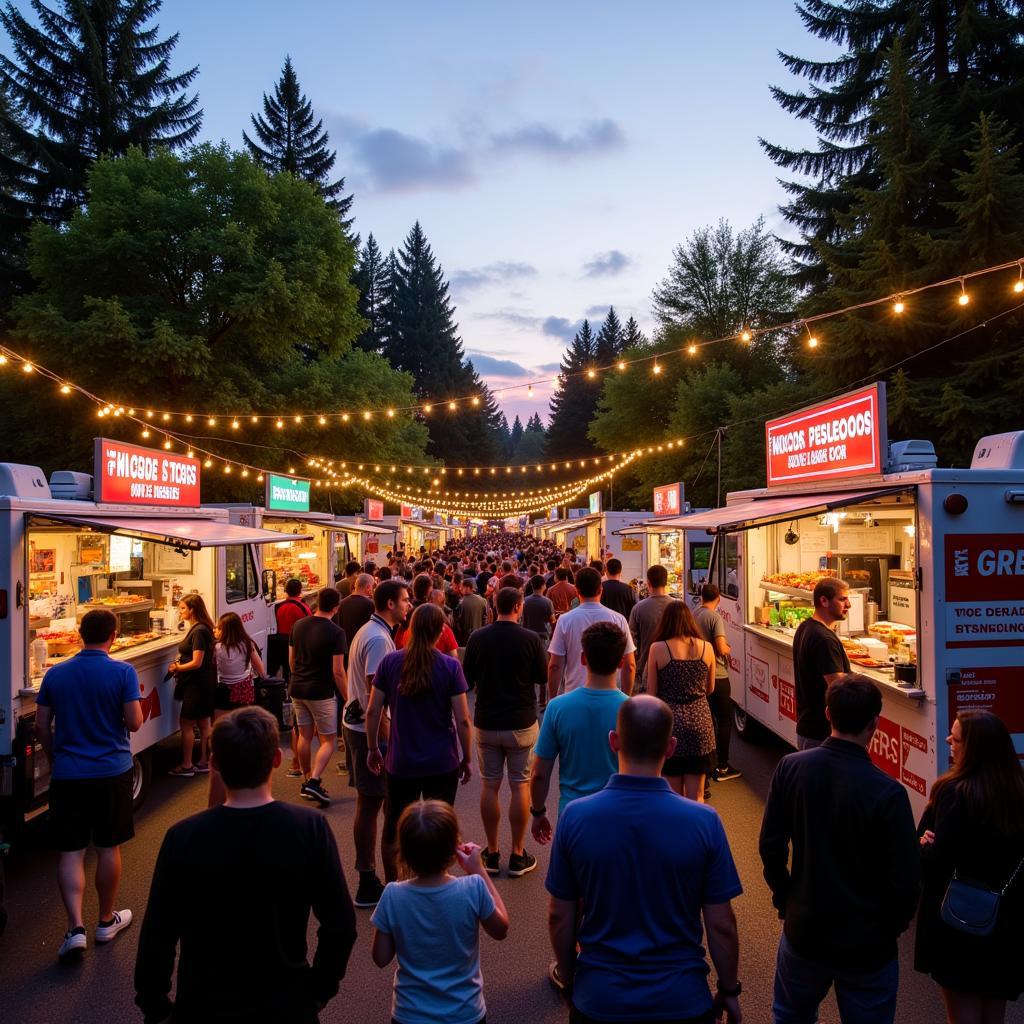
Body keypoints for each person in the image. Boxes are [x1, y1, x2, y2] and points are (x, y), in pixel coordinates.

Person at [134, 707, 357, 1024]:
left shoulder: (182, 837)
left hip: (202, 1007)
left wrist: (155, 1006)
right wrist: (318, 990)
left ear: (214, 764)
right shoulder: (310, 829)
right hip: (286, 1006)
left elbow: (158, 934)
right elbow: (340, 926)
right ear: (276, 761)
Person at [545, 695, 743, 1019]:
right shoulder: (704, 821)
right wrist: (729, 989)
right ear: (671, 747)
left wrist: (569, 980)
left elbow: (559, 915)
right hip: (682, 999)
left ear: (614, 741)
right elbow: (722, 924)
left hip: (600, 998)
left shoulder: (575, 818)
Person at [759, 674, 920, 1024]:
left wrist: (785, 897)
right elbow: (906, 879)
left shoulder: (792, 768)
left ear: (828, 714)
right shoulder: (888, 792)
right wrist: (892, 924)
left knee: (790, 1016)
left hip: (805, 928)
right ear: (875, 723)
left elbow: (771, 846)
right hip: (868, 942)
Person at [34, 608, 143, 961]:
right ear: (113, 635)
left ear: (80, 634)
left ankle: (75, 928)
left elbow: (41, 726)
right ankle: (105, 920)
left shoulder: (56, 674)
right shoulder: (123, 672)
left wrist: (55, 758)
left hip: (69, 774)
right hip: (112, 770)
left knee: (71, 851)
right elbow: (135, 722)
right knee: (108, 847)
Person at [916, 710, 1024, 1023]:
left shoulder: (953, 794)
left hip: (958, 921)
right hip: (1006, 922)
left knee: (962, 1015)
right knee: (994, 1014)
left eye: (956, 738)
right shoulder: (1017, 793)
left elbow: (936, 863)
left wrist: (923, 845)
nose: (948, 740)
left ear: (974, 750)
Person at [371, 801, 508, 1024]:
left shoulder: (393, 895)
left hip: (409, 1014)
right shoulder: (473, 887)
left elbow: (381, 958)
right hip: (465, 1012)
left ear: (404, 852)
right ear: (454, 848)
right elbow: (501, 929)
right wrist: (479, 870)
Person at [366, 603, 474, 883]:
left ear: (411, 628)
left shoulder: (390, 663)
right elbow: (463, 719)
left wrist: (372, 747)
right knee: (441, 825)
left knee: (393, 828)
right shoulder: (450, 666)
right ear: (440, 631)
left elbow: (373, 710)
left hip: (401, 761)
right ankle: (440, 880)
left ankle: (393, 884)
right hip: (442, 760)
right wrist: (467, 757)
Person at [462, 587, 547, 878]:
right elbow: (541, 676)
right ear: (519, 607)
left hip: (487, 720)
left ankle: (493, 851)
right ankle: (518, 853)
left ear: (493, 606)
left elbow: (467, 678)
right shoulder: (531, 639)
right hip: (521, 721)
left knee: (490, 785)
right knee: (520, 786)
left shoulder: (477, 638)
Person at [530, 622, 631, 846]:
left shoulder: (558, 708)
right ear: (621, 662)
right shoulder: (631, 710)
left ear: (583, 658)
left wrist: (538, 813)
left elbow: (539, 773)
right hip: (619, 817)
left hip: (573, 815)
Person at [346, 579, 411, 906]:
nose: (408, 605)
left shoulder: (373, 632)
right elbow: (377, 698)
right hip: (369, 731)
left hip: (359, 728)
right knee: (379, 806)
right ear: (389, 604)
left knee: (370, 805)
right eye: (404, 600)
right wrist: (389, 740)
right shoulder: (378, 640)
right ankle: (375, 880)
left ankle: (371, 877)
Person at [646, 600, 717, 802]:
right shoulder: (707, 648)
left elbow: (652, 692)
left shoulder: (658, 648)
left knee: (673, 796)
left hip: (670, 725)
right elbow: (710, 688)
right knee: (697, 795)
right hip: (701, 724)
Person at [289, 585, 347, 807]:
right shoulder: (336, 632)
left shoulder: (299, 625)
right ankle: (314, 780)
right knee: (328, 740)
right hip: (321, 691)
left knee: (304, 735)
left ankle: (305, 778)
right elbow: (338, 671)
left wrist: (297, 676)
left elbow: (292, 660)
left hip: (298, 687)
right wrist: (348, 696)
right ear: (336, 607)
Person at [548, 567, 636, 700]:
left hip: (574, 695)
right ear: (601, 589)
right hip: (612, 695)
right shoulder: (619, 619)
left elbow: (555, 666)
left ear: (577, 590)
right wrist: (626, 697)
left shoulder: (565, 620)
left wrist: (553, 699)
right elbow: (630, 665)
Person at [209, 611, 265, 807]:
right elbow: (262, 670)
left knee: (219, 733)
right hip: (243, 690)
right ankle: (242, 763)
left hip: (223, 691)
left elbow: (214, 669)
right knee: (242, 729)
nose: (215, 630)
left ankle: (219, 764)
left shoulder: (217, 648)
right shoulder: (247, 645)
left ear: (225, 630)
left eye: (218, 628)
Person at [792, 577, 851, 750]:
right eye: (842, 599)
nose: (848, 605)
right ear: (823, 601)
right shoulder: (824, 639)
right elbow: (839, 689)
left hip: (808, 728)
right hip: (821, 734)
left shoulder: (806, 627)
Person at [693, 583, 740, 782]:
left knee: (709, 720)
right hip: (718, 674)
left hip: (697, 673)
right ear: (719, 598)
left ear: (702, 596)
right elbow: (720, 648)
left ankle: (708, 762)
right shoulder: (715, 617)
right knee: (725, 720)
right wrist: (729, 648)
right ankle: (722, 766)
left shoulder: (694, 614)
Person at [168, 593, 217, 777]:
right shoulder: (201, 629)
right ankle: (204, 761)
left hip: (197, 684)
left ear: (192, 610)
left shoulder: (198, 631)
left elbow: (197, 662)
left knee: (186, 722)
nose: (180, 612)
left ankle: (187, 764)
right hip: (203, 683)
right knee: (204, 723)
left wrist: (178, 667)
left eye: (182, 608)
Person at [628, 563, 674, 692]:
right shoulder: (677, 607)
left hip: (645, 670)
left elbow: (632, 643)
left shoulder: (638, 609)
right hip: (673, 669)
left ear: (648, 582)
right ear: (666, 581)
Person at [337, 573, 375, 648]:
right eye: (372, 586)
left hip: (345, 646)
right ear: (368, 587)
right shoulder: (371, 605)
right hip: (362, 647)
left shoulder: (342, 603)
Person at [454, 576, 489, 647]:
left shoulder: (461, 603)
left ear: (467, 588)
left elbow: (457, 622)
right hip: (479, 635)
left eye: (461, 587)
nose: (460, 589)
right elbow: (485, 618)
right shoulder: (482, 600)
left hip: (466, 638)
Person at [522, 574, 556, 647]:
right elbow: (552, 620)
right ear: (543, 586)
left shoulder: (525, 601)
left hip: (528, 634)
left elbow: (523, 619)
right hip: (542, 636)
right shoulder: (548, 602)